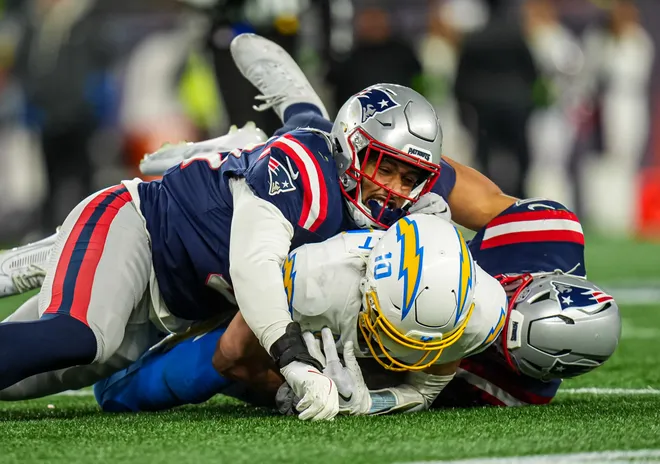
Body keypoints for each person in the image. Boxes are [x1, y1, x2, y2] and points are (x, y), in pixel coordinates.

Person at [0, 33, 515, 422]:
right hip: (138, 231)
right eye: (383, 166)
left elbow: (304, 114)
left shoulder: (404, 210)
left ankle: (47, 261)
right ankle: (40, 258)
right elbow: (252, 264)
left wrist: (376, 398)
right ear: (351, 147)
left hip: (171, 310)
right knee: (76, 335)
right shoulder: (304, 169)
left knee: (23, 378)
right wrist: (292, 362)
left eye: (411, 176)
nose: (394, 188)